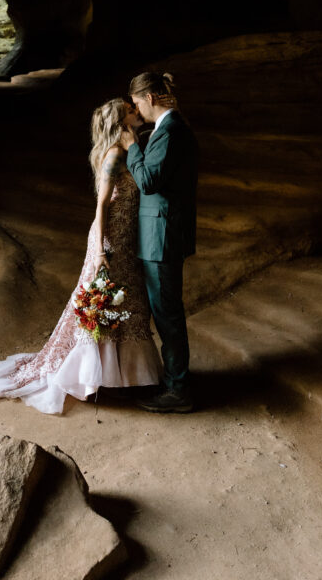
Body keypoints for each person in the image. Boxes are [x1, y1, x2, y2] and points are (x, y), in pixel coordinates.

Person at [0, 97, 162, 414]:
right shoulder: (114, 155)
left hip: (127, 242)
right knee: (104, 307)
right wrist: (99, 250)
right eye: (130, 110)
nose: (137, 112)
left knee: (130, 306)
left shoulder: (131, 149)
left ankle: (127, 378)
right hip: (109, 241)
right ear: (120, 122)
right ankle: (98, 380)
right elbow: (101, 207)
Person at [120, 71, 198, 413]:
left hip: (162, 237)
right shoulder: (168, 130)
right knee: (166, 311)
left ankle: (178, 391)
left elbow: (149, 180)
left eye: (137, 103)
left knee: (167, 314)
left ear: (149, 98)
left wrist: (131, 147)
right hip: (161, 233)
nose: (136, 110)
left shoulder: (171, 131)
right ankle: (173, 382)